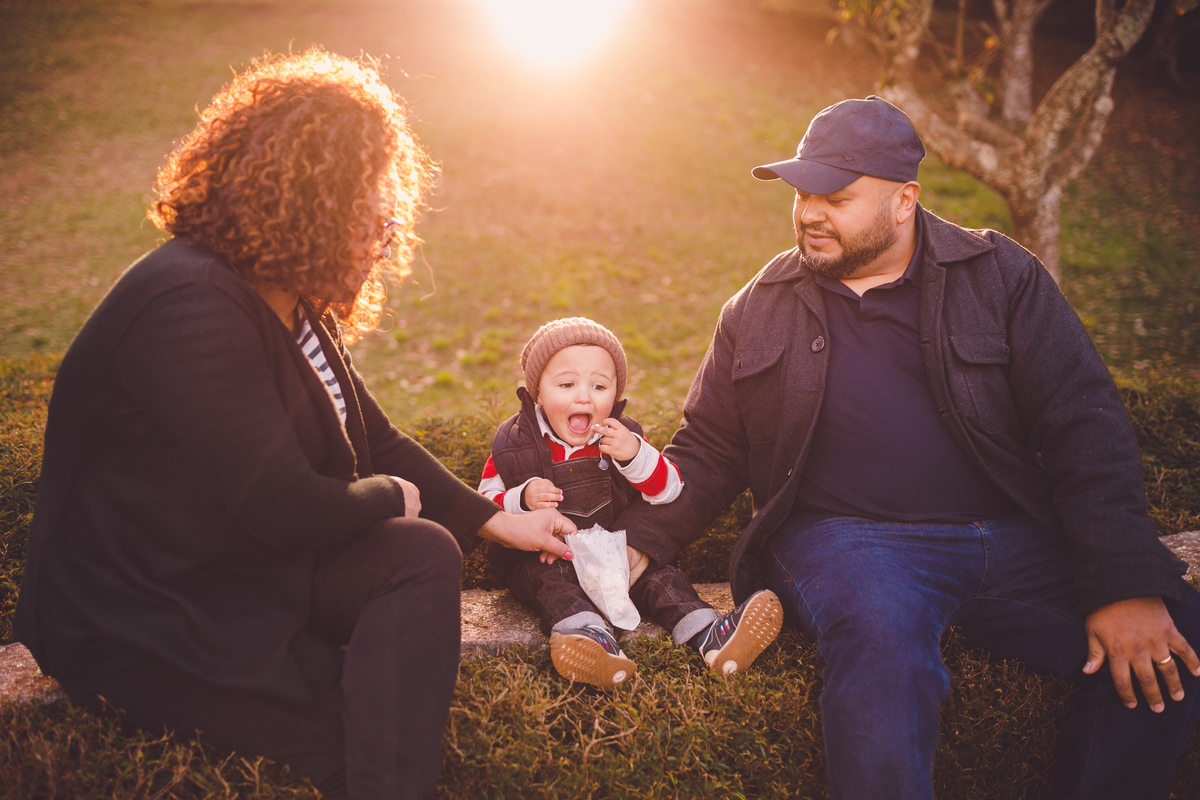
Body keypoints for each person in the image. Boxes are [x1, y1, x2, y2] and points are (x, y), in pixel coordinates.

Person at [14, 50, 575, 800]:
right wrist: (387, 497)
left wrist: (500, 522)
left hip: (229, 565)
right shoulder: (189, 305)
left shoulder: (288, 294)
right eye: (370, 193)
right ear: (314, 195)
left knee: (419, 555)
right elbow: (280, 507)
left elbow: (375, 439)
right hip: (141, 612)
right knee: (336, 727)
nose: (387, 218)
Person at [614, 95, 1200, 799]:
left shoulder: (1000, 277)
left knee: (1176, 634)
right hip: (845, 543)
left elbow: (1083, 423)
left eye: (835, 194)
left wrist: (1123, 582)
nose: (808, 212)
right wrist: (641, 541)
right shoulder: (757, 306)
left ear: (904, 200)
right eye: (802, 192)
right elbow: (708, 448)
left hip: (1006, 539)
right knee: (882, 641)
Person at [477, 317, 783, 688]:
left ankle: (710, 634)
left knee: (663, 580)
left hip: (615, 558)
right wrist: (520, 499)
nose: (584, 397)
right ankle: (589, 638)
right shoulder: (513, 443)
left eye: (599, 385)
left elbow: (668, 490)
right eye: (567, 384)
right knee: (549, 583)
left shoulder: (623, 437)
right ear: (538, 392)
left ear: (615, 393)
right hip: (548, 558)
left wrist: (635, 455)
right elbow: (484, 505)